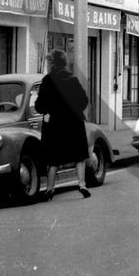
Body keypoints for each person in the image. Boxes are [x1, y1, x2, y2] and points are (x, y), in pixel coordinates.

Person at [35, 49, 92, 200]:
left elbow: (39, 106)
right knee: (79, 156)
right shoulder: (72, 79)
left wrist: (48, 110)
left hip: (54, 124)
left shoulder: (47, 81)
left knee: (53, 159)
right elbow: (84, 100)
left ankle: (50, 188)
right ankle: (82, 184)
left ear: (52, 63)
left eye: (48, 62)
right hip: (74, 123)